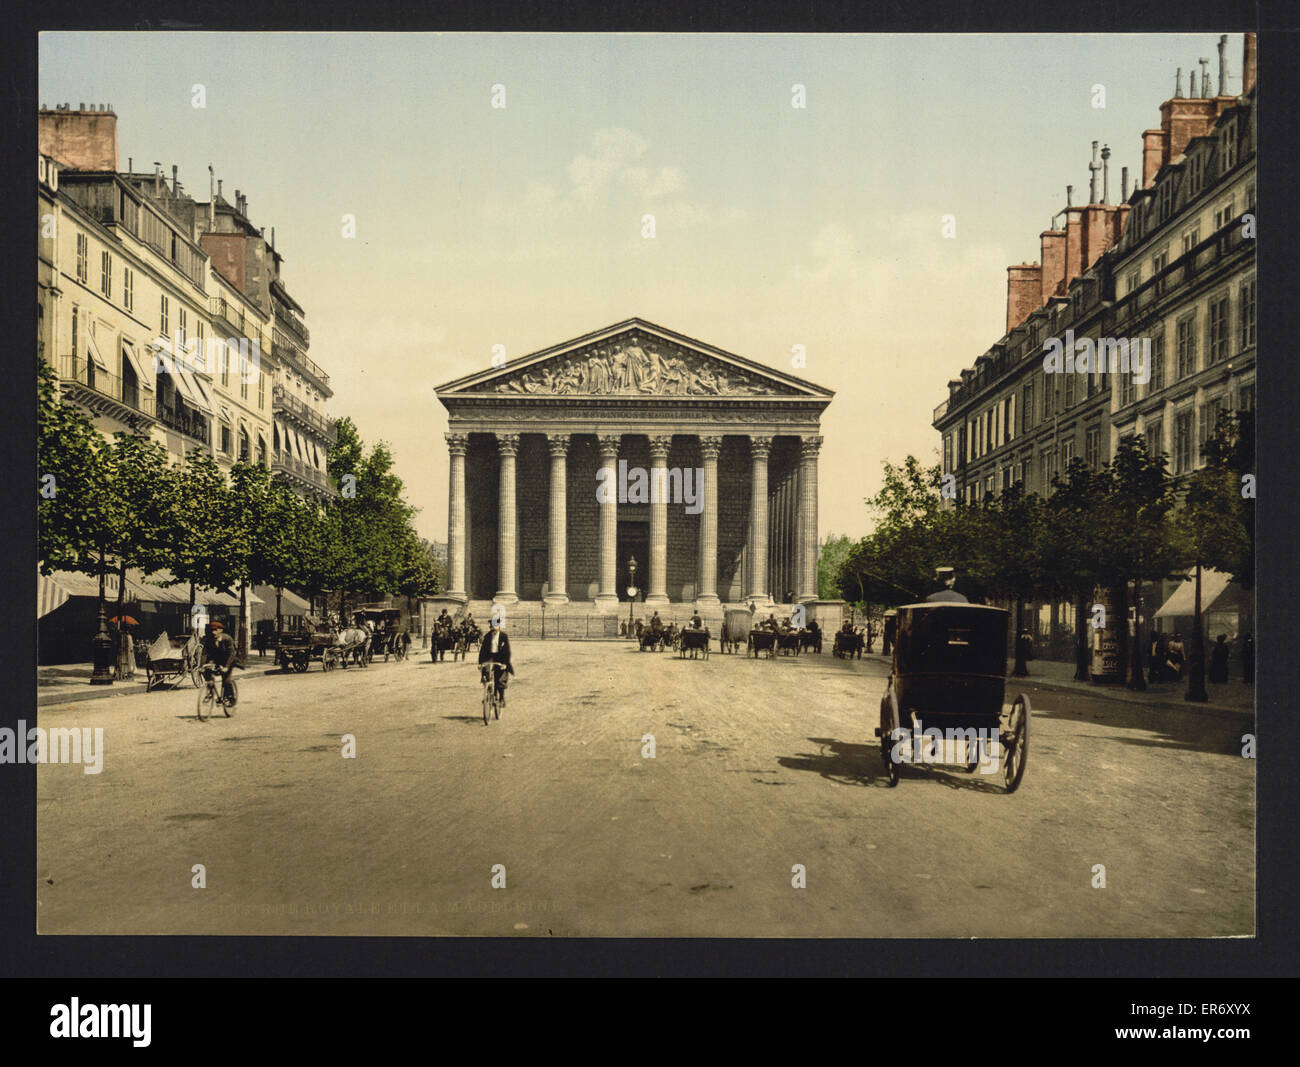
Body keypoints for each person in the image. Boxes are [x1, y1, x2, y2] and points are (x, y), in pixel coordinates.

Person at [478, 614, 515, 707]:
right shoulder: (487, 636)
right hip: (489, 657)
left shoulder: (503, 636)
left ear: (499, 626)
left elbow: (507, 651)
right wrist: (480, 663)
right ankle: (488, 693)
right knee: (485, 674)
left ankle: (501, 698)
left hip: (501, 658)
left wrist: (505, 664)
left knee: (500, 679)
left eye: (495, 626)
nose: (493, 628)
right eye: (492, 626)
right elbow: (482, 651)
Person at [198, 620, 238, 702]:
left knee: (226, 679)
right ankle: (210, 691)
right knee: (207, 672)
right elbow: (204, 654)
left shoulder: (227, 639)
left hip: (228, 661)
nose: (213, 632)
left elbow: (231, 654)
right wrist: (202, 666)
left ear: (221, 630)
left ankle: (230, 697)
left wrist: (226, 667)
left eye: (215, 630)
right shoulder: (209, 640)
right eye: (212, 630)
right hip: (217, 661)